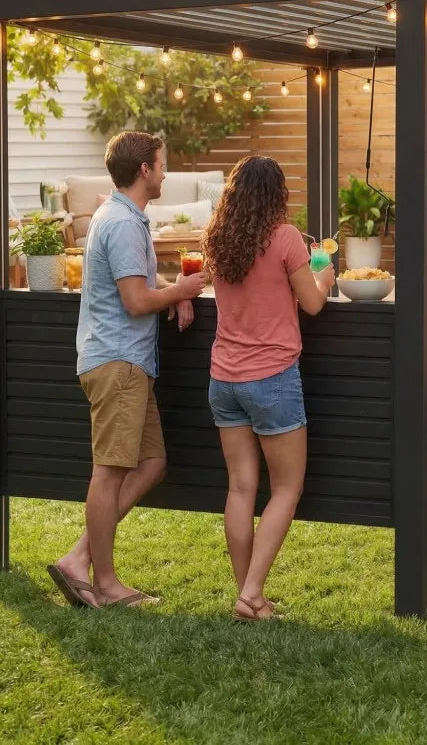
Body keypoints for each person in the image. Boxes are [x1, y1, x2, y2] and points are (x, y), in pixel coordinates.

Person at [49, 132, 206, 609]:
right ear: (144, 170)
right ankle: (107, 582)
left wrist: (171, 290)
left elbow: (137, 281)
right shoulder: (119, 222)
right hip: (117, 363)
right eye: (161, 165)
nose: (164, 174)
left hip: (130, 363)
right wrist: (182, 293)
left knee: (152, 463)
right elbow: (135, 300)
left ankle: (78, 559)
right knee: (110, 472)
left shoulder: (123, 217)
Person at [202, 155, 336, 621]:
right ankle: (251, 593)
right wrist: (326, 273)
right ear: (276, 194)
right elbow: (314, 304)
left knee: (240, 488)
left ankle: (249, 596)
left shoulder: (218, 240)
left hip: (224, 378)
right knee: (286, 489)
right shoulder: (285, 239)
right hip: (272, 378)